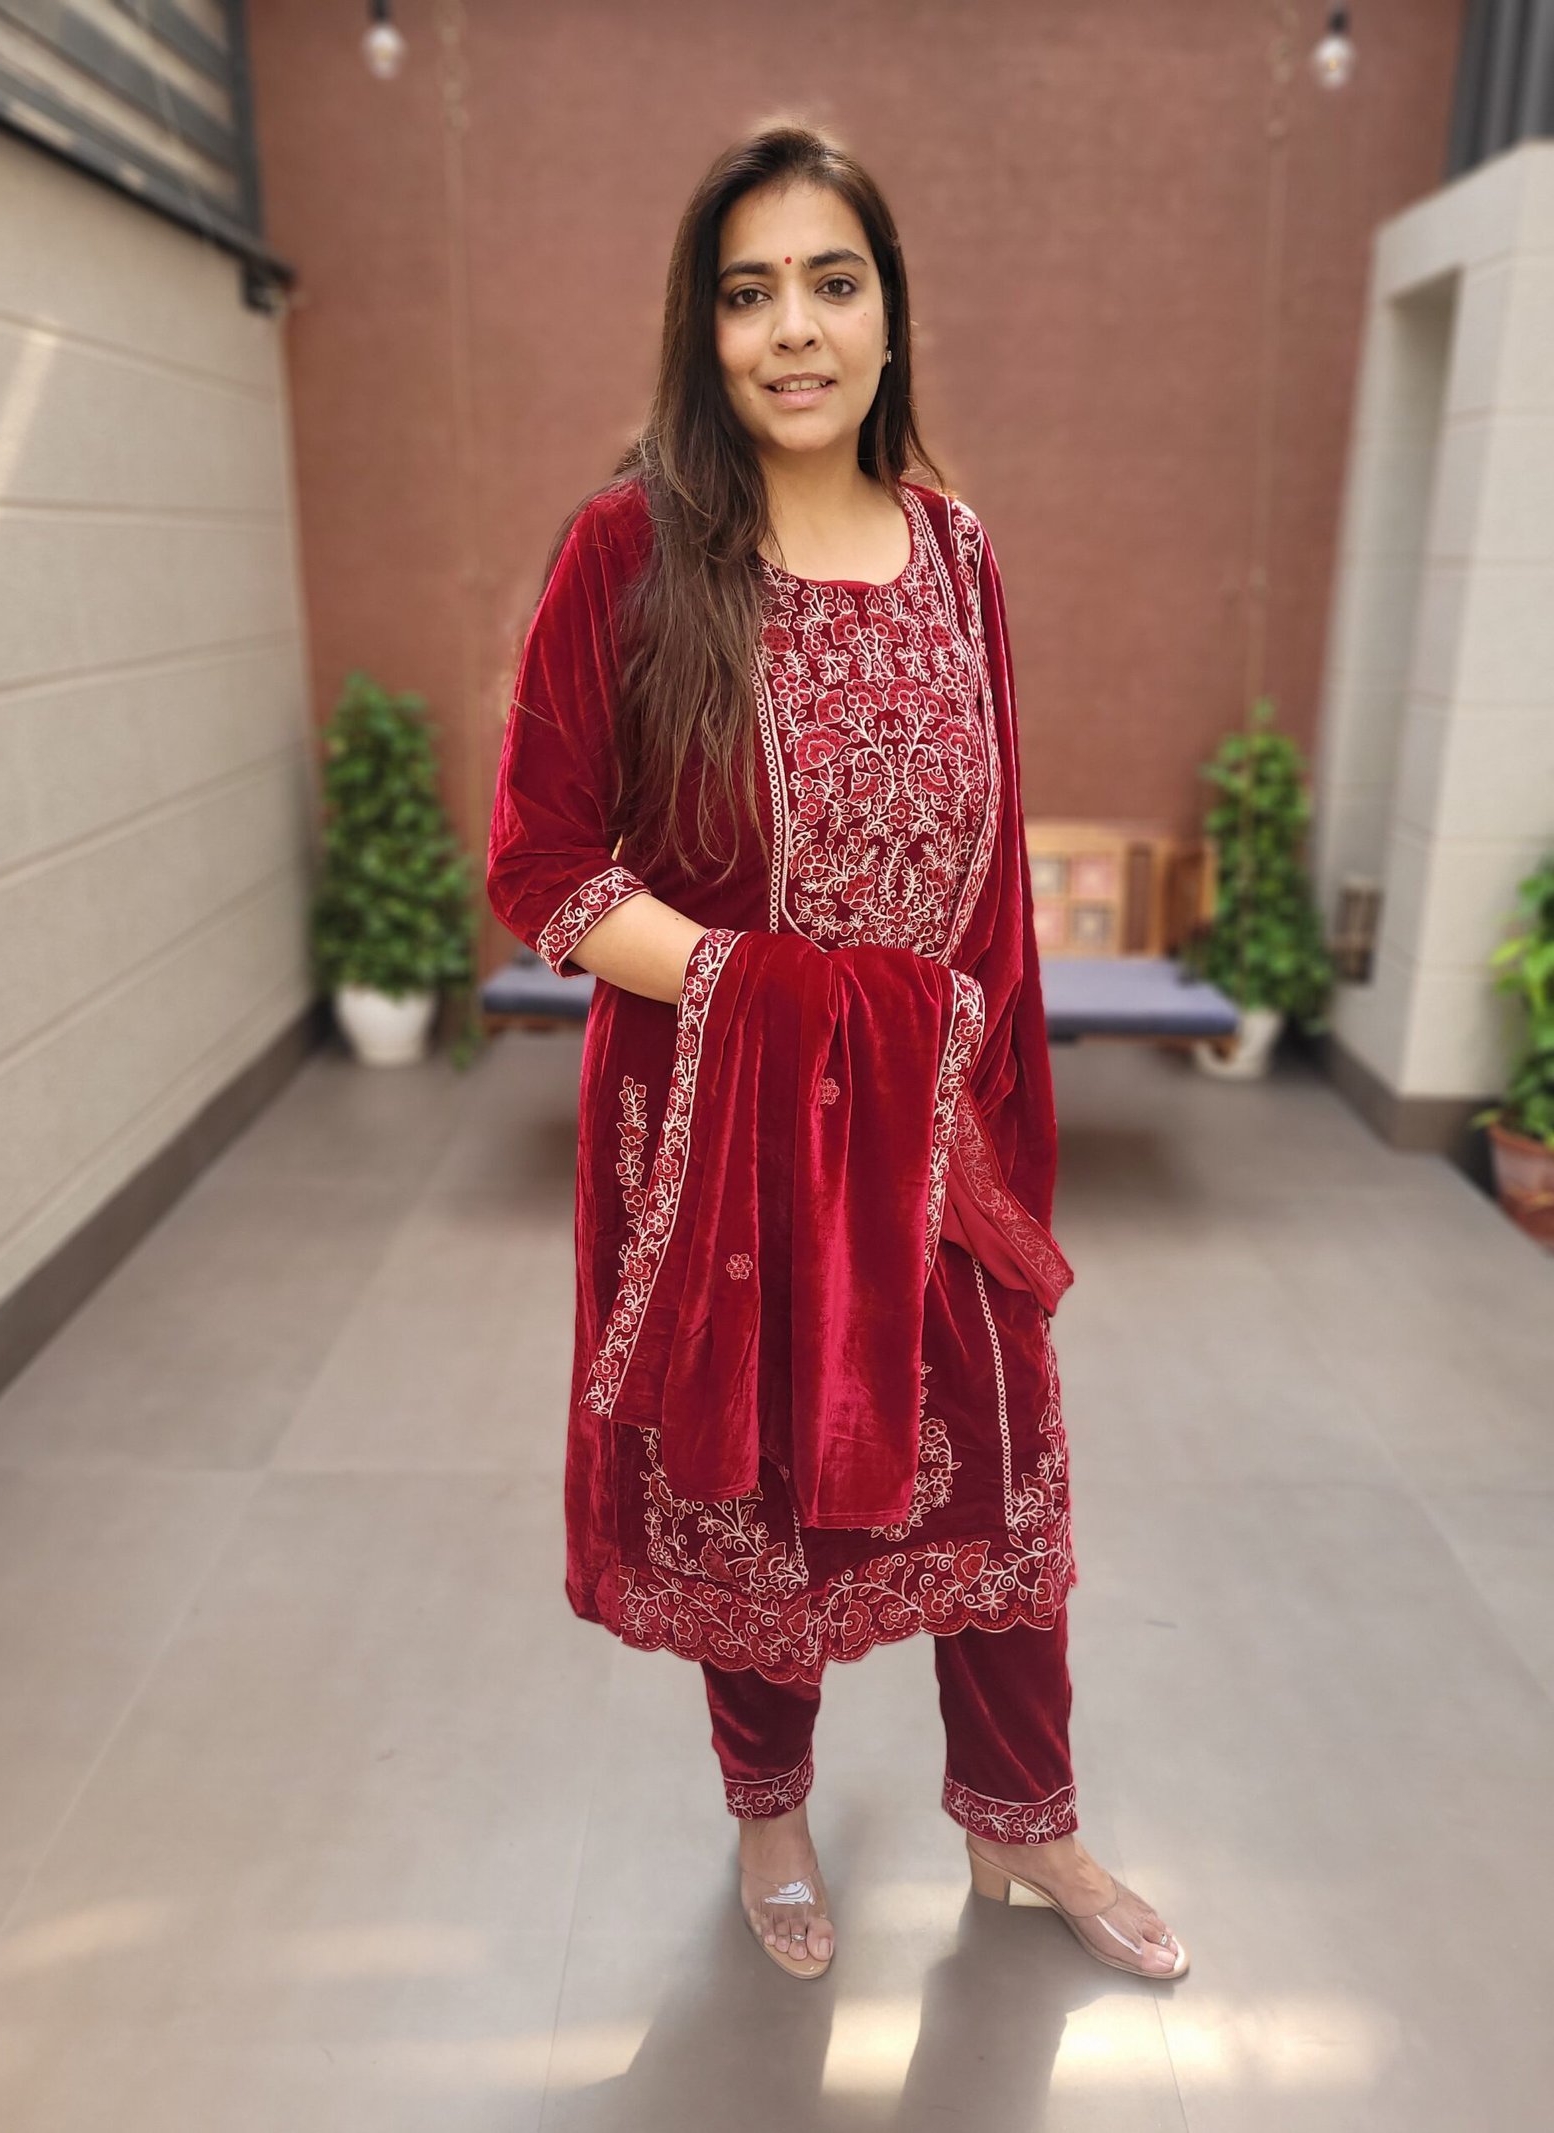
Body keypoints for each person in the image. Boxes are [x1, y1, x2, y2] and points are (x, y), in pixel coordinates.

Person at [485, 121, 1187, 1985]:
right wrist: (756, 991)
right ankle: (770, 1810)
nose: (792, 328)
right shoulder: (634, 546)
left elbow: (996, 881)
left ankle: (1025, 1826)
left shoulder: (959, 553)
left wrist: (989, 1114)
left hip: (934, 1121)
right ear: (702, 329)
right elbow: (539, 864)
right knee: (763, 1492)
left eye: (831, 281)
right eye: (748, 292)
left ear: (890, 314)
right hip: (723, 1132)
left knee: (1006, 1474)